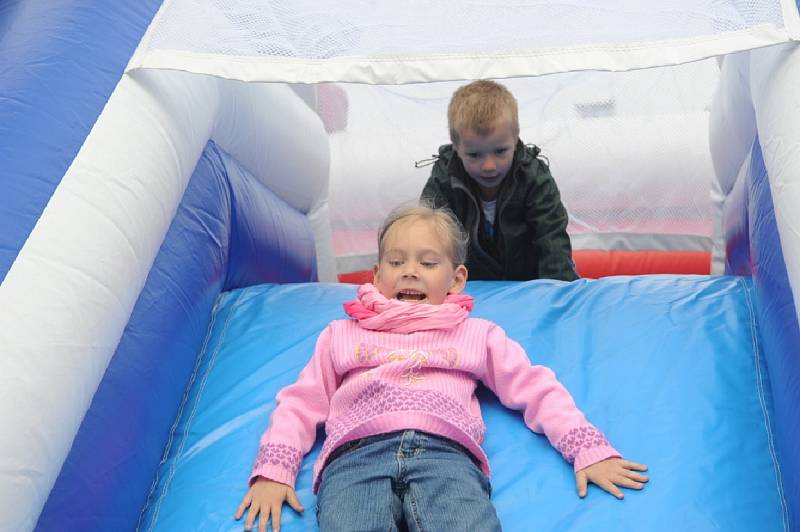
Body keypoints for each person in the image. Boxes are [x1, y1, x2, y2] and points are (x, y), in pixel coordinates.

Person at [234, 204, 648, 532]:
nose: (410, 270)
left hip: (444, 453)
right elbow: (300, 404)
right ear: (377, 276)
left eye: (428, 263)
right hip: (355, 456)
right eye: (396, 262)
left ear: (456, 280)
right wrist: (275, 471)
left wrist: (586, 449)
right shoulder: (342, 333)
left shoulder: (476, 334)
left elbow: (535, 388)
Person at [421, 79, 578, 281]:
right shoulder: (445, 178)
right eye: (474, 155)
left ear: (515, 140)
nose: (489, 166)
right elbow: (427, 236)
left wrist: (559, 294)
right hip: (468, 285)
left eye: (500, 151)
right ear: (456, 149)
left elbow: (552, 238)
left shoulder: (533, 177)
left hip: (526, 283)